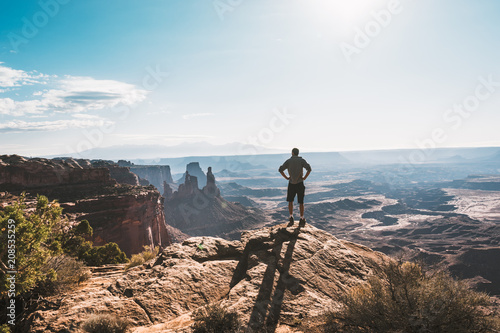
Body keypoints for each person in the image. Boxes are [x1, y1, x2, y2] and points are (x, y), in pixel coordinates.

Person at [279, 148, 311, 226]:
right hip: (300, 183)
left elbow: (280, 169)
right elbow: (309, 169)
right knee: (301, 202)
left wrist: (286, 177)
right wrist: (304, 178)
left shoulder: (288, 161)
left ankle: (291, 217)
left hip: (291, 183)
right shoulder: (302, 160)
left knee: (290, 201)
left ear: (292, 153)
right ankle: (301, 218)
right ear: (298, 153)